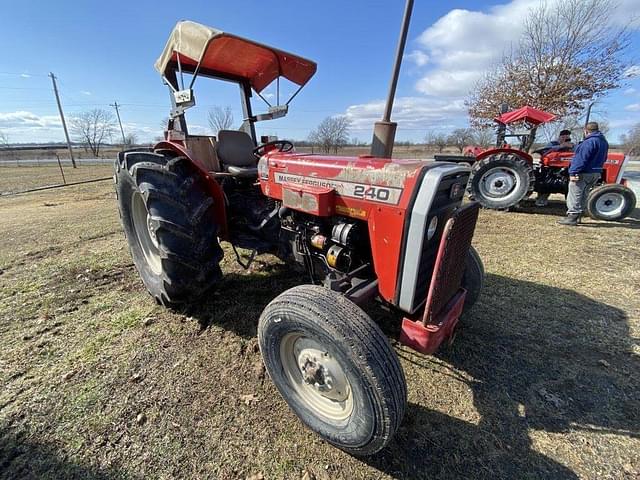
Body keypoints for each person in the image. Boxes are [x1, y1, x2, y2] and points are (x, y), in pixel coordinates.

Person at [558, 122, 608, 226]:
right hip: (596, 172)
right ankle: (579, 216)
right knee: (584, 194)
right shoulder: (603, 142)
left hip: (584, 172)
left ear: (586, 131)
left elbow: (581, 159)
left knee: (575, 193)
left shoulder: (589, 142)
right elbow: (604, 158)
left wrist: (573, 172)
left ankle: (572, 217)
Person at [535, 130, 575, 206]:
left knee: (569, 185)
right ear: (560, 137)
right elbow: (545, 151)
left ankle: (570, 203)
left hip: (566, 168)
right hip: (549, 169)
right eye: (564, 137)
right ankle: (541, 198)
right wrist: (561, 146)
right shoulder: (552, 144)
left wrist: (571, 147)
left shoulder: (571, 146)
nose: (565, 140)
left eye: (568, 138)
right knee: (545, 183)